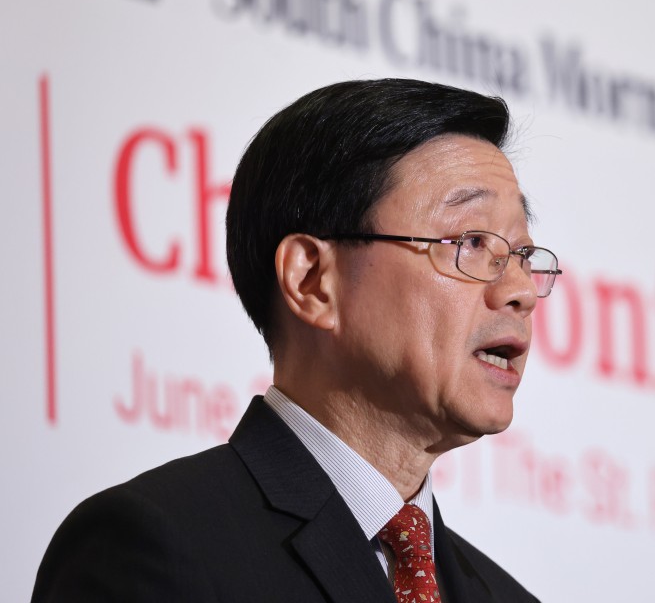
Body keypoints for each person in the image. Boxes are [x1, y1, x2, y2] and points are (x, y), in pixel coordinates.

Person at [32, 79, 560, 602]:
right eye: (471, 242)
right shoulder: (153, 547)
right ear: (312, 281)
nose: (520, 291)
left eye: (521, 255)